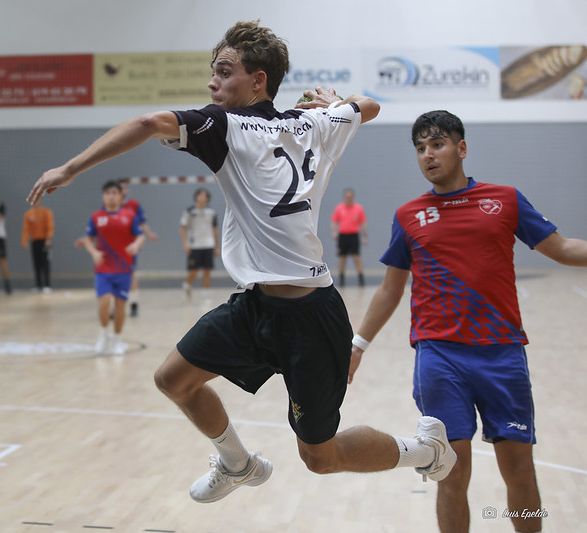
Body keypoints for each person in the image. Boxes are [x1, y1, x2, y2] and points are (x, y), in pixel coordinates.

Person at [28, 20, 455, 505]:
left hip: (311, 317)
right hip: (256, 306)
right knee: (174, 379)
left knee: (321, 457)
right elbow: (370, 105)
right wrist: (336, 103)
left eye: (225, 72)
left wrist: (69, 168)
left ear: (258, 81)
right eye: (213, 72)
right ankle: (237, 462)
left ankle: (424, 452)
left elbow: (147, 124)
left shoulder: (225, 126)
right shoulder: (317, 123)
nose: (213, 83)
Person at [349, 110, 587, 533]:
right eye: (420, 148)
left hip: (502, 355)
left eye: (437, 144)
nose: (428, 154)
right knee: (452, 472)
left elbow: (563, 248)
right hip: (440, 358)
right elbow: (389, 289)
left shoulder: (506, 200)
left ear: (461, 148)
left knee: (520, 470)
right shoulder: (409, 215)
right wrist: (358, 346)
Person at [83, 180, 146, 355]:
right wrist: (94, 252)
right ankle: (103, 335)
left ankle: (117, 339)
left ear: (120, 196)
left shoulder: (130, 216)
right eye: (108, 193)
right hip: (103, 270)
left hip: (124, 269)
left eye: (114, 193)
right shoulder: (96, 217)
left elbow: (141, 236)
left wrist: (136, 245)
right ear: (103, 196)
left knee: (120, 306)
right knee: (104, 303)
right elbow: (88, 238)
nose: (111, 196)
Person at [119, 179, 157, 317]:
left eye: (124, 188)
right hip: (114, 246)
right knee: (113, 274)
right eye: (120, 188)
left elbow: (142, 222)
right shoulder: (110, 205)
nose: (122, 190)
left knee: (130, 273)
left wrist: (149, 233)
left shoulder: (134, 205)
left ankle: (134, 303)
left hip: (130, 244)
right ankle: (113, 306)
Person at [180, 187, 219, 300]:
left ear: (208, 198)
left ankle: (206, 296)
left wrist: (216, 246)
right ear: (196, 197)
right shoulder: (189, 212)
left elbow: (214, 229)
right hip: (194, 245)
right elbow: (182, 228)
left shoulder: (211, 212)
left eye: (205, 195)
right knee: (194, 271)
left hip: (208, 245)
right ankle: (187, 285)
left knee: (207, 271)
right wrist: (185, 243)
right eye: (200, 195)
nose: (202, 197)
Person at [330, 187, 368, 287]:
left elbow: (362, 223)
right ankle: (341, 279)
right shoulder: (339, 208)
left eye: (350, 197)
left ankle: (361, 278)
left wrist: (364, 236)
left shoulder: (358, 208)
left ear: (353, 197)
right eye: (347, 197)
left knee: (356, 257)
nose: (349, 198)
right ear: (344, 197)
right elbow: (334, 221)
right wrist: (334, 232)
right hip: (343, 236)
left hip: (354, 235)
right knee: (342, 257)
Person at [21, 203, 55, 292]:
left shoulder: (46, 212)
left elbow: (50, 226)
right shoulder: (28, 214)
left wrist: (48, 238)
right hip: (34, 241)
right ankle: (38, 284)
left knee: (45, 263)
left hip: (44, 241)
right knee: (36, 263)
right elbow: (26, 229)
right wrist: (24, 241)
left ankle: (47, 284)